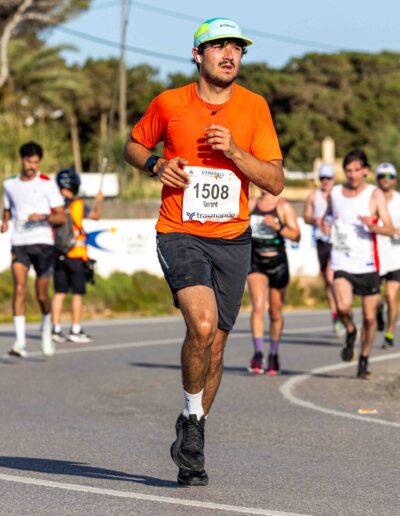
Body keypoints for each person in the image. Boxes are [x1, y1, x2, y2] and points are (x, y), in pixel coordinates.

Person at [123, 17, 283, 486]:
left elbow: (274, 180)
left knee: (216, 347)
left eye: (237, 48)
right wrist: (156, 164)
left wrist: (235, 152)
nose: (229, 54)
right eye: (218, 46)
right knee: (203, 324)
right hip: (180, 232)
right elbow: (133, 145)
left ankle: (192, 430)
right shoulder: (169, 103)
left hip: (232, 238)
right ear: (198, 55)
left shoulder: (254, 107)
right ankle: (193, 423)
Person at [323, 149, 393, 379]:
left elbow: (389, 228)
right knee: (343, 306)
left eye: (356, 170)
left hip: (368, 264)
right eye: (348, 170)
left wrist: (374, 227)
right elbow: (327, 217)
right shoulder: (335, 193)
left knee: (370, 318)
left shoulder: (374, 195)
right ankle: (351, 330)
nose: (352, 175)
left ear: (365, 170)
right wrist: (325, 224)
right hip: (341, 261)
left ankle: (364, 358)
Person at [1, 141, 66, 358]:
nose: (32, 166)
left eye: (36, 163)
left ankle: (46, 330)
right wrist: (5, 221)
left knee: (41, 294)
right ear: (22, 160)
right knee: (19, 288)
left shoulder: (47, 184)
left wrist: (43, 217)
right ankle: (20, 342)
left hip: (43, 243)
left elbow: (61, 216)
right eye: (29, 162)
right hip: (19, 242)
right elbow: (8, 208)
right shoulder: (9, 184)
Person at [247, 190, 300, 375]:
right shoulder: (251, 204)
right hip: (255, 260)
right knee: (258, 306)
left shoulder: (283, 206)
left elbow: (296, 235)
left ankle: (273, 354)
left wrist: (278, 226)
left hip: (277, 262)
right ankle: (258, 353)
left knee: (275, 312)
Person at [51, 168, 103, 344]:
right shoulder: (78, 204)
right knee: (77, 293)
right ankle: (75, 329)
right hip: (76, 254)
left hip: (58, 253)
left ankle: (55, 330)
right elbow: (96, 216)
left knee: (59, 292)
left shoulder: (53, 204)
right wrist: (98, 202)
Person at [304, 163, 344, 336]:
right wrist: (315, 221)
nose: (326, 181)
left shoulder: (340, 195)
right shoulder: (314, 196)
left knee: (331, 277)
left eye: (328, 178)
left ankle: (342, 308)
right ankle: (336, 316)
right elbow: (306, 217)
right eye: (322, 178)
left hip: (337, 242)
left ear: (333, 178)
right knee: (328, 284)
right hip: (321, 242)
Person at [374, 163, 400, 349]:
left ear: (395, 179)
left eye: (389, 176)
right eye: (382, 176)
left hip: (395, 257)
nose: (385, 179)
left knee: (391, 296)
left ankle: (390, 333)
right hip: (375, 256)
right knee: (374, 299)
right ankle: (378, 310)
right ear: (377, 179)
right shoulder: (371, 199)